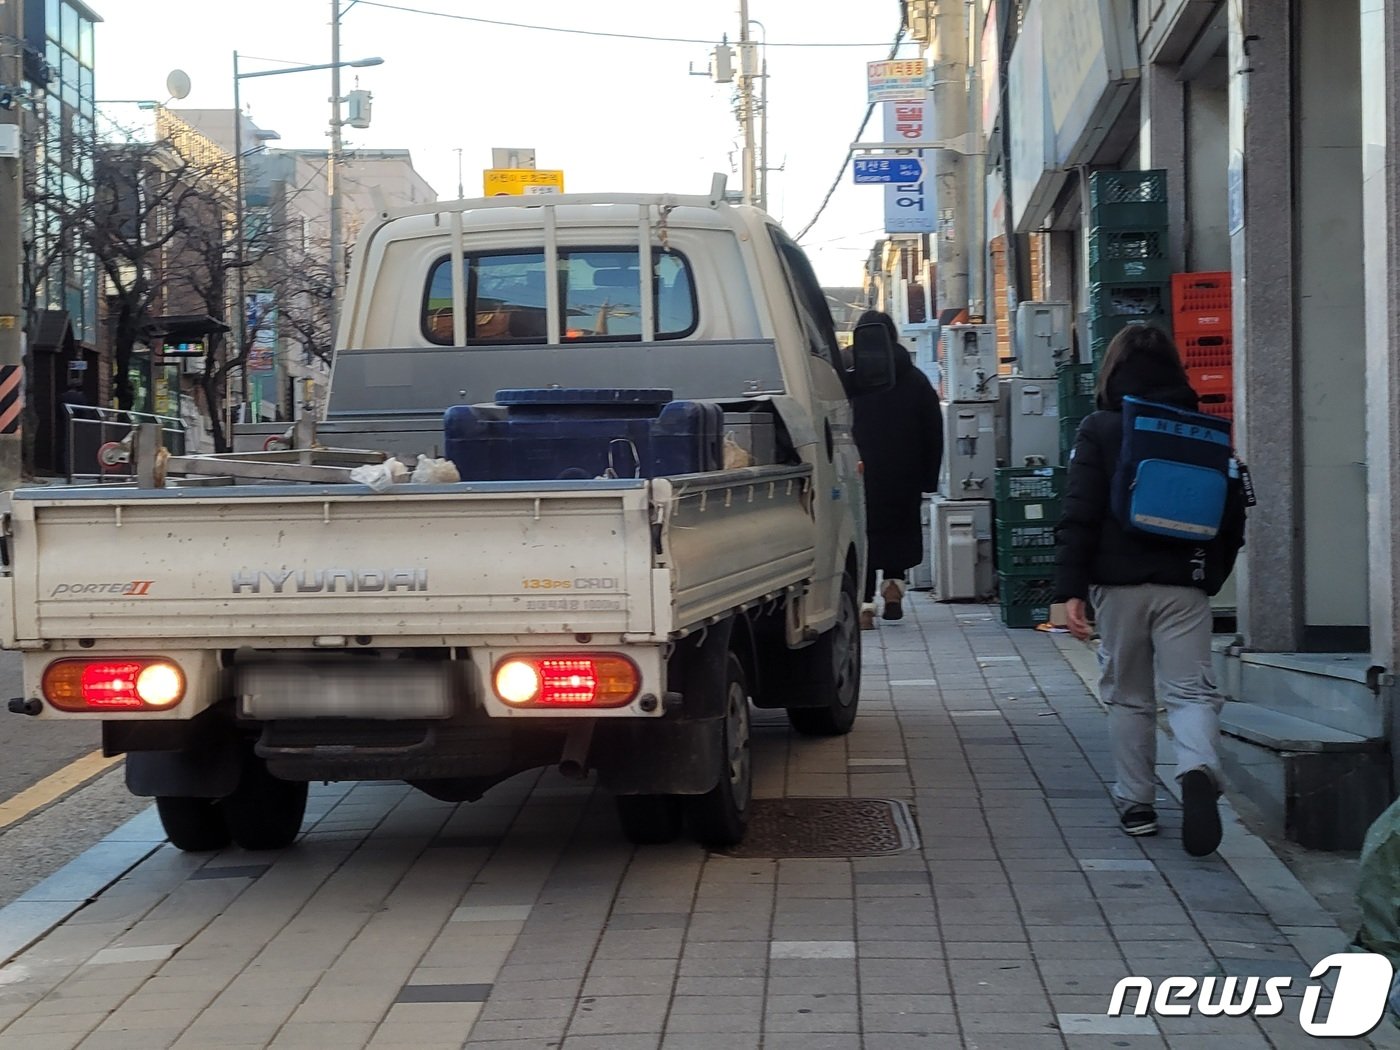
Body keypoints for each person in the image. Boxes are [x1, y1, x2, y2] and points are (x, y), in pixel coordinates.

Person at [1054, 324, 1247, 857]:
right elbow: (1232, 516)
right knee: (1190, 692)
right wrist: (1208, 578)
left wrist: (1070, 589)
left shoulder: (1100, 427)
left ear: (1113, 371)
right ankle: (1197, 767)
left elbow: (1080, 511)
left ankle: (1137, 803)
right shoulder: (1201, 429)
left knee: (1128, 695)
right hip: (1184, 583)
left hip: (1117, 587)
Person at [851, 310, 944, 630]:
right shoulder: (915, 378)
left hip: (858, 472)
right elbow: (934, 429)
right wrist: (928, 478)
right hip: (904, 473)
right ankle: (893, 590)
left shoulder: (849, 378)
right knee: (898, 534)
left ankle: (864, 605)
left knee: (862, 536)